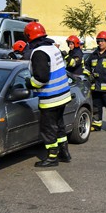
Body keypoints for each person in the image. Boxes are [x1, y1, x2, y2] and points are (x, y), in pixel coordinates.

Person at [25, 22, 72, 167]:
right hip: (63, 95)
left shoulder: (39, 52)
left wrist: (29, 83)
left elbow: (41, 78)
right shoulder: (53, 48)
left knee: (48, 128)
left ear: (29, 36)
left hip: (50, 98)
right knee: (59, 125)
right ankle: (64, 153)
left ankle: (52, 157)